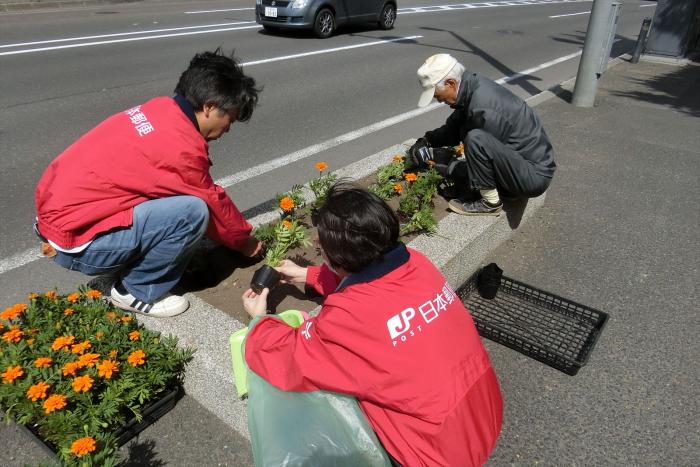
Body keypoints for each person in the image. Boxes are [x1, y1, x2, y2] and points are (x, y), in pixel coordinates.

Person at [242, 182, 503, 466]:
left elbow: (289, 358)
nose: (317, 244)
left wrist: (259, 320)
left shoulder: (347, 318)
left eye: (322, 244)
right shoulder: (415, 263)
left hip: (436, 451)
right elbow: (373, 285)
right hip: (483, 414)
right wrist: (307, 275)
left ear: (338, 257)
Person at [34, 49, 262, 318]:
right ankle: (136, 290)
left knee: (171, 197)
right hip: (76, 241)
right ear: (210, 106)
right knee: (193, 212)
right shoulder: (181, 148)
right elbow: (213, 202)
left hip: (58, 216)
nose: (228, 129)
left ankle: (135, 264)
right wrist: (246, 243)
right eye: (230, 119)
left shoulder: (161, 108)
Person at [410, 53, 556, 216]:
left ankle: (490, 202)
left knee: (473, 141)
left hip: (533, 175)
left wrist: (455, 173)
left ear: (451, 83)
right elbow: (454, 127)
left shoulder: (484, 107)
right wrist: (427, 140)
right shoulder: (470, 87)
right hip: (522, 161)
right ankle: (500, 191)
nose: (438, 100)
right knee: (463, 153)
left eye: (438, 95)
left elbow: (482, 152)